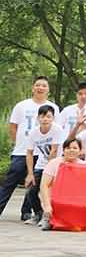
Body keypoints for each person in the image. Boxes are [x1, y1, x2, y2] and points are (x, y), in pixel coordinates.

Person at [1, 76, 59, 221]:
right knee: (10, 182)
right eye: (38, 85)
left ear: (48, 89)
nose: (40, 88)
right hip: (22, 151)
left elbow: (55, 130)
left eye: (44, 85)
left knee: (33, 184)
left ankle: (26, 212)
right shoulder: (22, 105)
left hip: (42, 154)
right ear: (33, 88)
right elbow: (13, 127)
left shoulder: (53, 107)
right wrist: (19, 142)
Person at [24, 105, 63, 225]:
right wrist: (30, 174)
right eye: (42, 116)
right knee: (31, 190)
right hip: (41, 165)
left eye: (48, 116)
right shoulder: (33, 133)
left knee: (49, 191)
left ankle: (50, 217)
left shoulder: (57, 129)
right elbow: (29, 153)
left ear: (53, 118)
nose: (45, 119)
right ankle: (38, 213)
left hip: (56, 166)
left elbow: (54, 151)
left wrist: (47, 172)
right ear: (38, 118)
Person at [39, 138, 86, 230]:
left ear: (80, 150)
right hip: (55, 199)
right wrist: (47, 206)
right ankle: (48, 217)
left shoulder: (84, 165)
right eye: (68, 148)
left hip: (74, 200)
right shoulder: (54, 163)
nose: (71, 150)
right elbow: (44, 185)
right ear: (63, 150)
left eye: (75, 148)